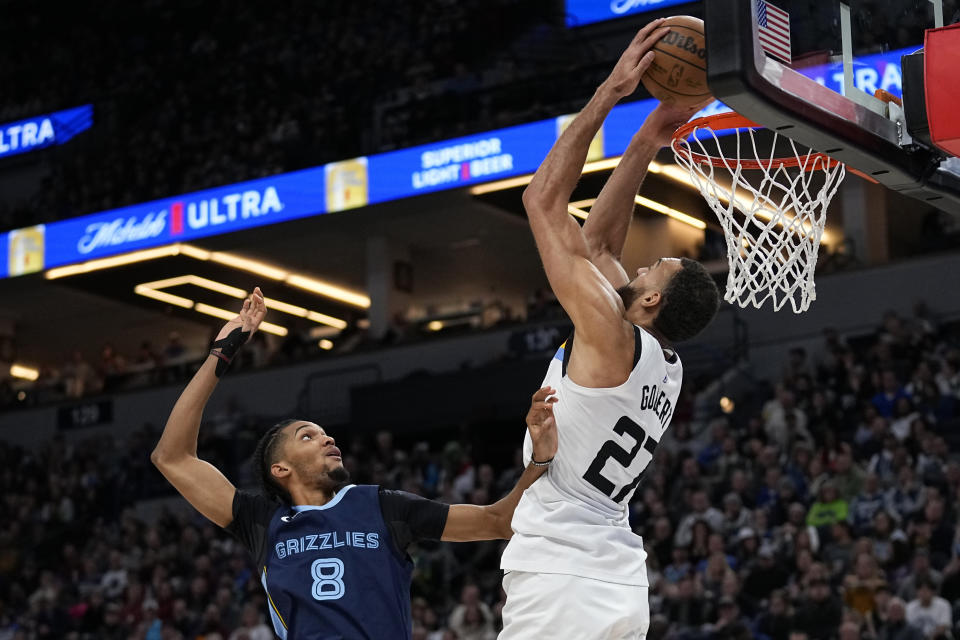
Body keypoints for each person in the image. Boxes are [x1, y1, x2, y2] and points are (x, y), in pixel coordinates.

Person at [151, 288, 559, 640]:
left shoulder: (382, 506)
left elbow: (498, 520)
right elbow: (172, 457)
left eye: (324, 432)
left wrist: (539, 457)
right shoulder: (260, 520)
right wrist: (221, 355)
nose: (328, 437)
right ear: (281, 470)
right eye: (307, 436)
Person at [498, 19, 720, 640]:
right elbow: (596, 243)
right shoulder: (659, 363)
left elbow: (542, 201)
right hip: (616, 575)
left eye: (652, 267)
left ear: (650, 297)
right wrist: (650, 135)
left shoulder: (610, 336)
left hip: (563, 574)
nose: (639, 263)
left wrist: (610, 93)